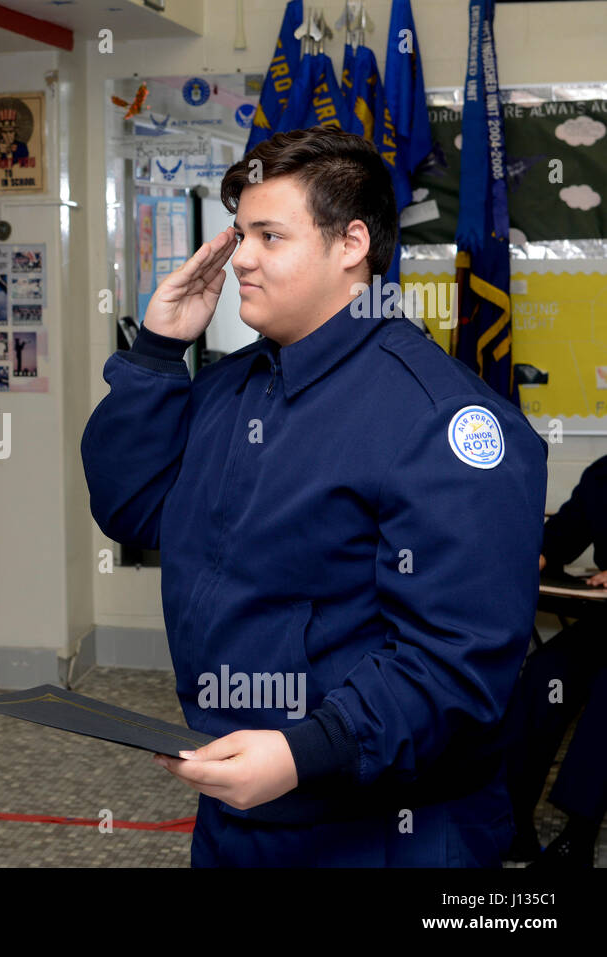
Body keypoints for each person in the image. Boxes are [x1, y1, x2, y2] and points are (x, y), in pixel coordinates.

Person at [81, 127, 546, 866]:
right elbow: (131, 506)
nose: (243, 258)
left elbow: (457, 664)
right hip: (243, 806)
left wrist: (304, 752)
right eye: (241, 235)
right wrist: (159, 352)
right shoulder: (234, 387)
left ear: (351, 242)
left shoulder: (441, 418)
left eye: (270, 234)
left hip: (388, 829)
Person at [505, 456, 607, 868]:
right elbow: (560, 538)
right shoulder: (602, 476)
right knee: (545, 674)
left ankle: (577, 837)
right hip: (603, 622)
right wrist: (526, 560)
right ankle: (515, 822)